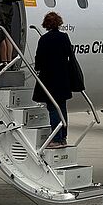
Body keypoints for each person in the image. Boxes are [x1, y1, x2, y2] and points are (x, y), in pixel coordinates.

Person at [32, 12, 76, 148]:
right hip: (63, 78)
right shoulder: (64, 37)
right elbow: (69, 54)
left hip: (49, 78)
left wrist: (38, 67)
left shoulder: (44, 39)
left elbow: (39, 58)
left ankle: (56, 139)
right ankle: (63, 137)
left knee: (53, 108)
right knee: (61, 107)